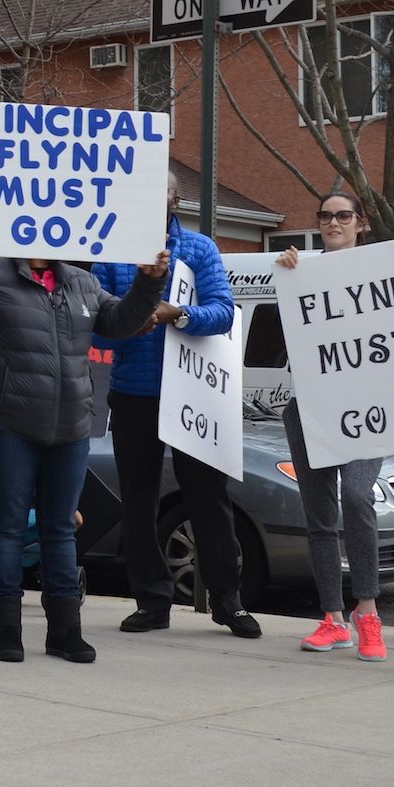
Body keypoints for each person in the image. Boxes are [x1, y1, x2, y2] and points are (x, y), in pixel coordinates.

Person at [0, 242, 167, 664]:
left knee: (59, 530)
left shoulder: (82, 281)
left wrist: (149, 282)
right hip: (10, 425)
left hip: (71, 429)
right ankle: (8, 632)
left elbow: (121, 322)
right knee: (7, 526)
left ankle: (64, 632)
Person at [93, 175, 259, 638]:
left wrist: (179, 315)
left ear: (175, 200)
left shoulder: (201, 249)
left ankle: (229, 602)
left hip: (196, 394)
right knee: (139, 500)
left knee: (209, 498)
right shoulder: (110, 252)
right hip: (134, 394)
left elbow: (224, 312)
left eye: (158, 192)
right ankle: (152, 601)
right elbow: (97, 327)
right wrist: (129, 322)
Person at [276, 191, 391, 660]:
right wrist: (288, 276)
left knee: (360, 499)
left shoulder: (382, 272)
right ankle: (332, 619)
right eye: (324, 216)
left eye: (343, 215)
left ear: (360, 223)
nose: (333, 222)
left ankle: (368, 613)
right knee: (319, 517)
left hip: (367, 409)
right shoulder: (300, 272)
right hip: (311, 409)